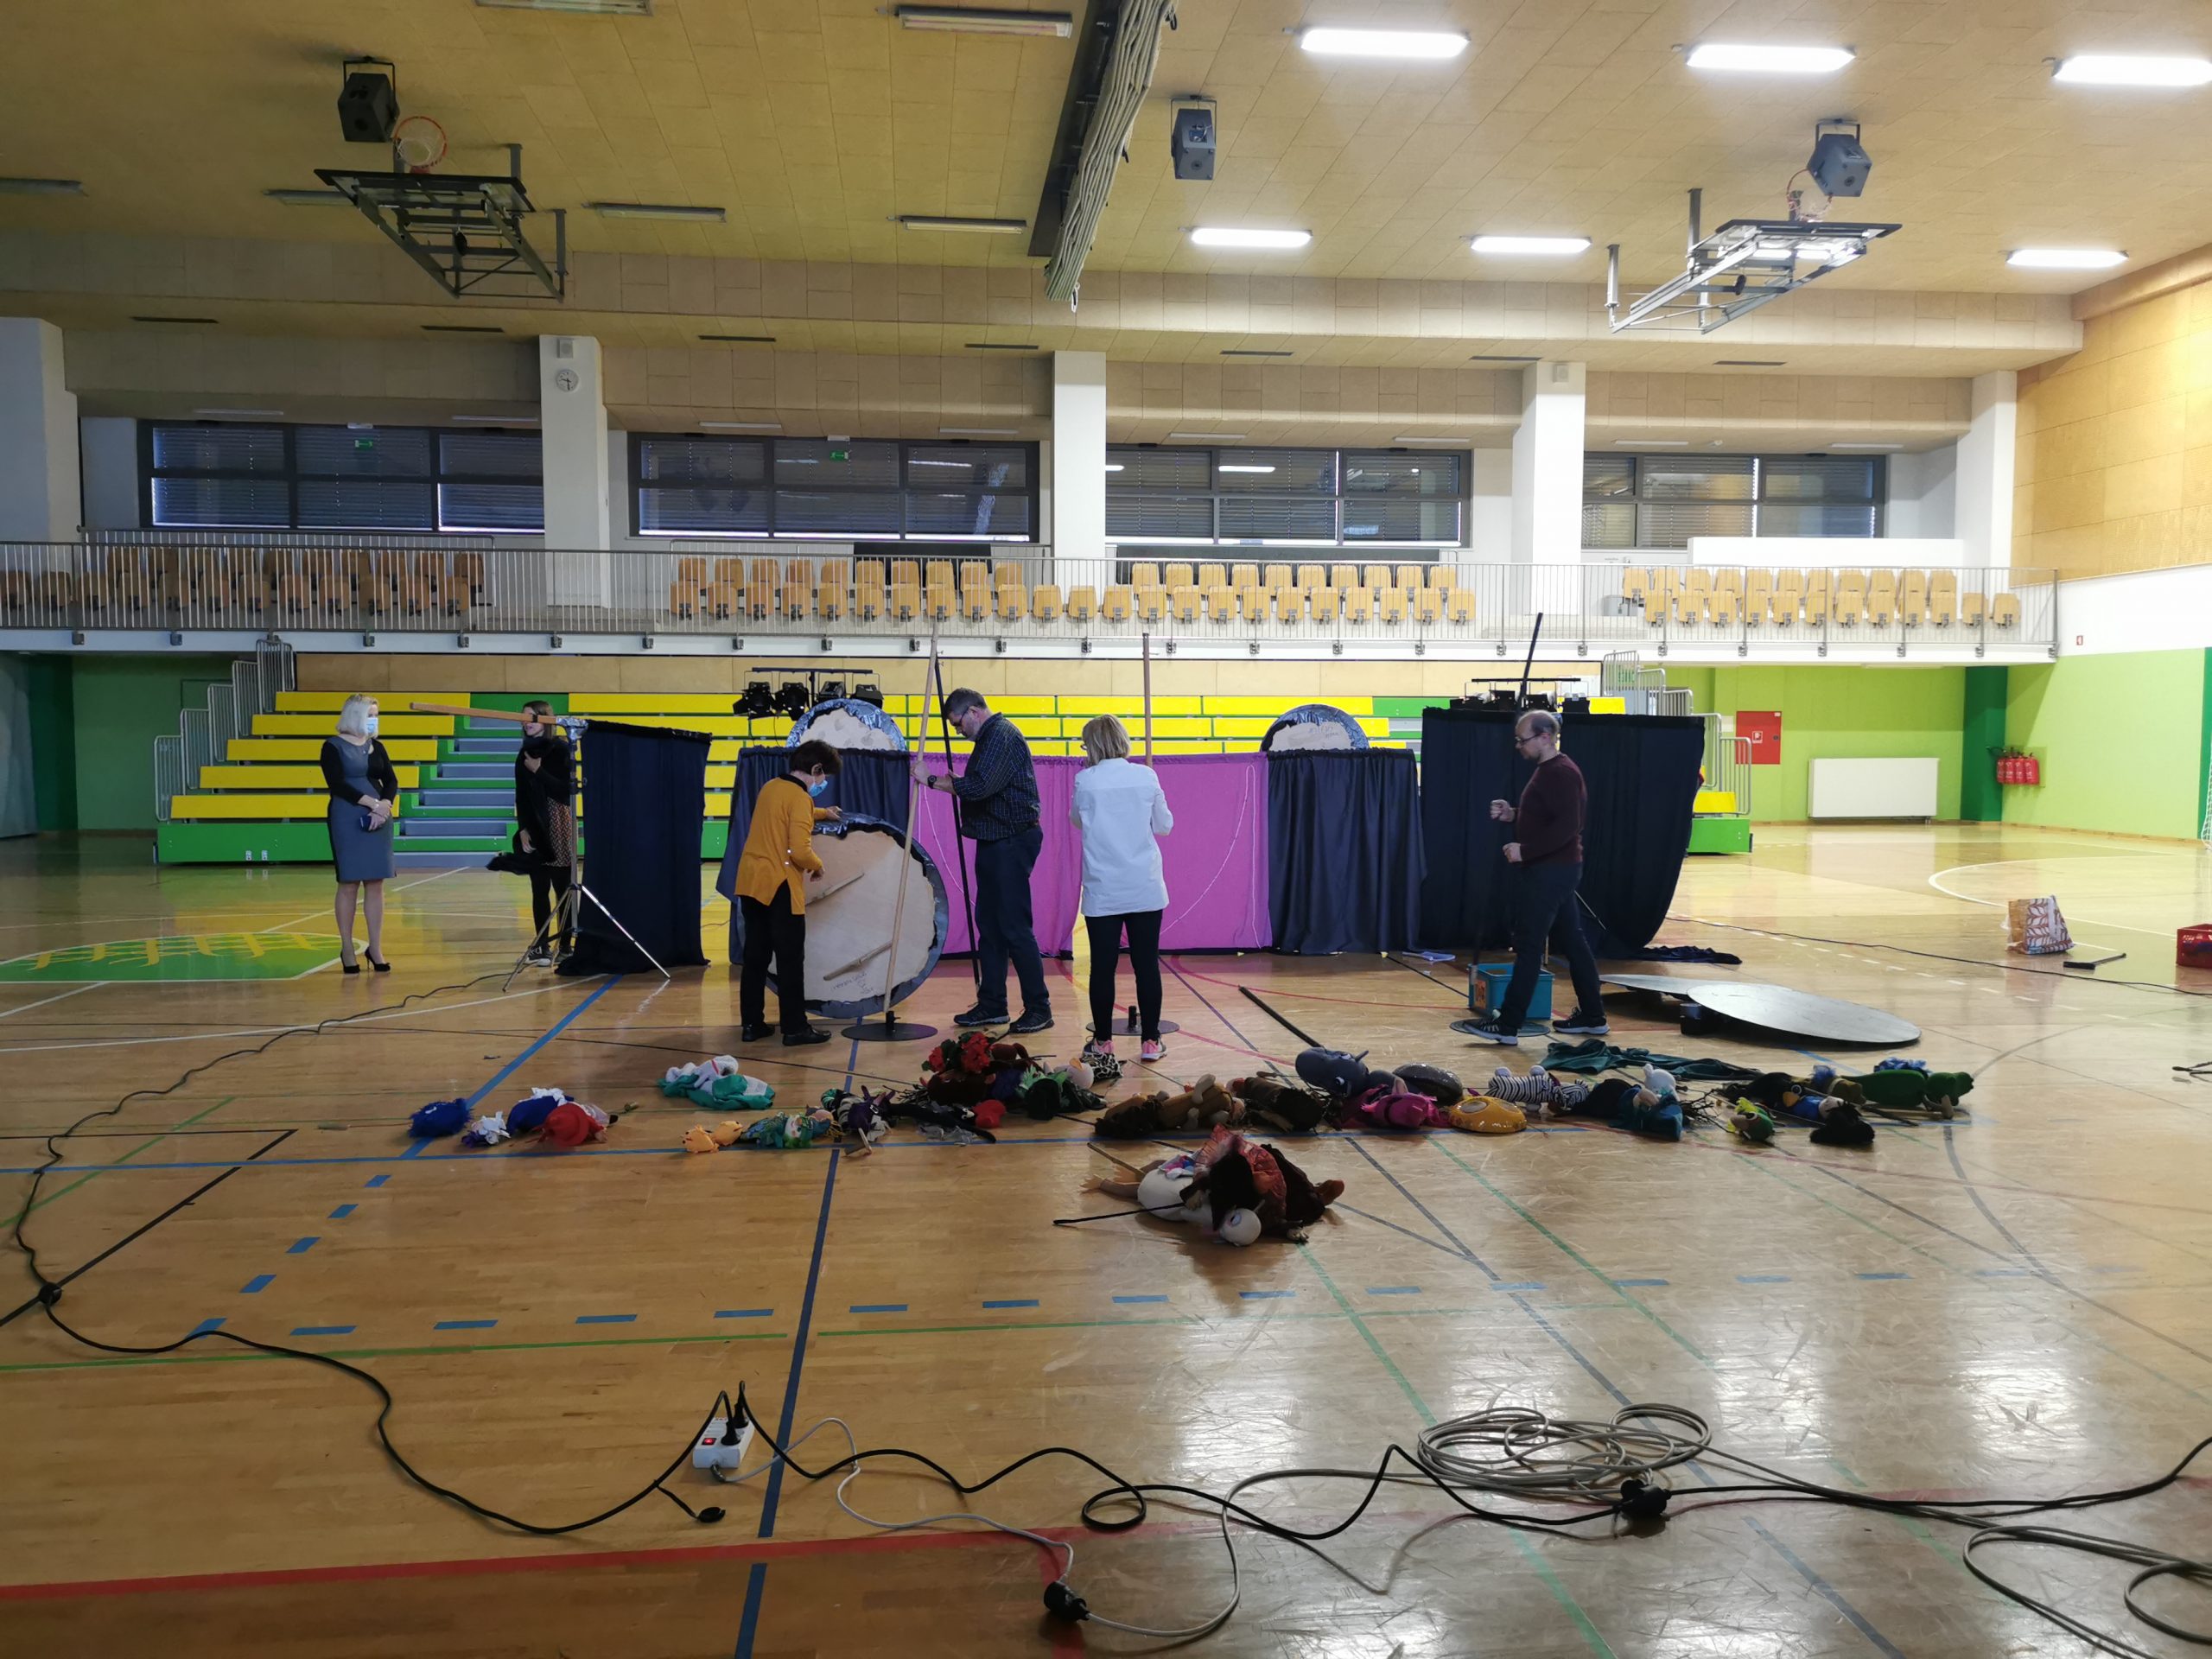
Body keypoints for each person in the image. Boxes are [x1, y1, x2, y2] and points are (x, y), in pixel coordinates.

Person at [1461, 709, 1610, 1046]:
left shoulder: (1561, 773)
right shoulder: (1548, 771)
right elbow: (1546, 817)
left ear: (1545, 737)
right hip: (1557, 869)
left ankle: (1508, 1026)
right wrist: (1513, 814)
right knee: (1573, 942)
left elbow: (1569, 826)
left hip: (1551, 871)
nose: (1519, 746)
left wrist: (1525, 851)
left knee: (1529, 945)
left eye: (1522, 739)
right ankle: (1593, 1016)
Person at [918, 688, 1051, 1034]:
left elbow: (979, 788)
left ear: (974, 712)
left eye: (958, 724)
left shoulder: (1001, 736)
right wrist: (957, 784)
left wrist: (931, 780)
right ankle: (992, 1004)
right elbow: (984, 786)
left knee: (1014, 927)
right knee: (990, 926)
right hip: (996, 839)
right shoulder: (989, 738)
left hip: (1011, 840)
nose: (958, 731)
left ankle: (1039, 1008)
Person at [1070, 715, 1173, 1065]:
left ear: (1092, 746)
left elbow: (1076, 820)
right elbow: (1165, 825)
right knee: (1147, 965)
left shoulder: (1085, 780)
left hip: (1103, 889)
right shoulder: (1146, 776)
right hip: (1144, 885)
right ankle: (1151, 1041)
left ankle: (1102, 1042)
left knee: (1102, 967)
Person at [733, 739, 843, 1046]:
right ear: (816, 769)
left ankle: (752, 1024)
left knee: (755, 957)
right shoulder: (800, 798)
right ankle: (795, 1029)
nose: (823, 781)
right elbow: (799, 850)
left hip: (752, 882)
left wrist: (822, 813)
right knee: (790, 960)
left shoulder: (771, 787)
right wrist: (817, 865)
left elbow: (785, 814)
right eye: (824, 775)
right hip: (779, 886)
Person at [320, 694, 399, 974]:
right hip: (347, 815)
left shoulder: (378, 746)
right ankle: (346, 948)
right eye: (370, 714)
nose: (374, 719)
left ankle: (375, 948)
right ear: (355, 715)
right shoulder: (332, 746)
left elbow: (391, 780)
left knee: (376, 883)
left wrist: (384, 806)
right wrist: (372, 804)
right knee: (349, 883)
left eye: (376, 715)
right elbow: (336, 784)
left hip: (380, 817)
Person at [514, 701, 576, 967]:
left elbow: (565, 791)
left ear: (545, 720)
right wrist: (523, 828)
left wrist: (538, 771)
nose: (526, 722)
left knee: (563, 889)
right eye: (523, 718)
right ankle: (541, 947)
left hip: (559, 823)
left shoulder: (561, 749)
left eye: (531, 718)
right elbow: (521, 795)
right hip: (535, 825)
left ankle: (566, 946)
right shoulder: (523, 753)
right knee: (538, 888)